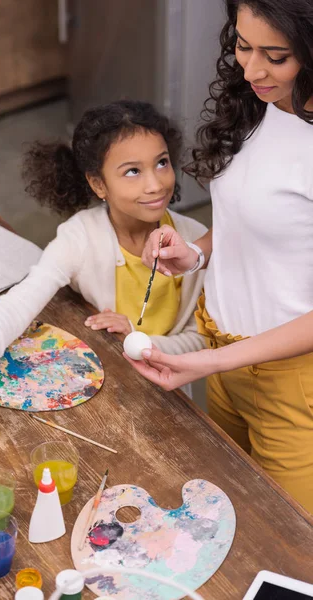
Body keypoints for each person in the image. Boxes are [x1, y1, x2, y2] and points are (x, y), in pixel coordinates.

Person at [125, 0, 313, 513]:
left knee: (292, 549)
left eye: (276, 56)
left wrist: (209, 360)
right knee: (233, 514)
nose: (251, 70)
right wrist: (198, 254)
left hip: (292, 385)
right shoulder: (262, 105)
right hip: (223, 358)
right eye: (243, 46)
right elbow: (255, 223)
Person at [0, 99, 207, 380]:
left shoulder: (196, 243)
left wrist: (139, 340)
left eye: (162, 162)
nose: (155, 184)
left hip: (168, 386)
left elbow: (201, 338)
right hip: (101, 376)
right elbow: (25, 297)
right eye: (133, 171)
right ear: (98, 184)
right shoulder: (80, 237)